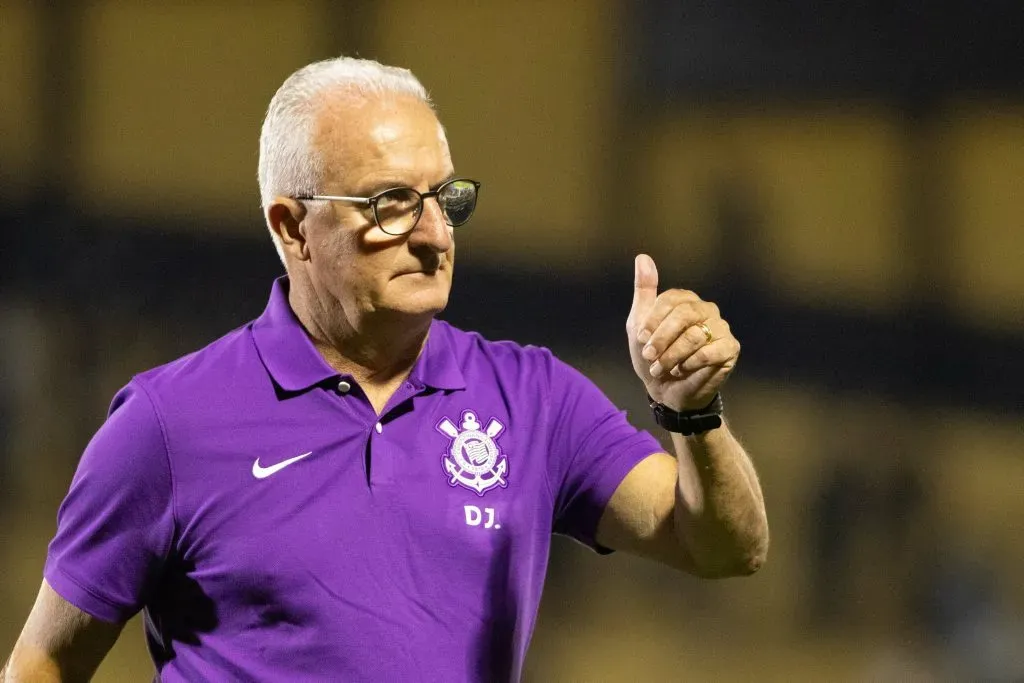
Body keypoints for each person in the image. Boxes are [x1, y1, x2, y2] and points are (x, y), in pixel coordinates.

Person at [2, 57, 768, 682]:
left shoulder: (534, 400)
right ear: (292, 225)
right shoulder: (169, 425)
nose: (435, 233)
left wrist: (692, 414)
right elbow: (42, 663)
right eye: (392, 203)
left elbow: (726, 547)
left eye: (445, 198)